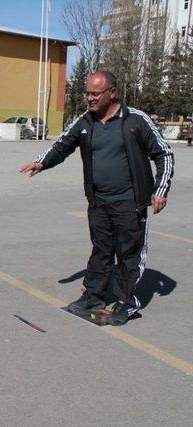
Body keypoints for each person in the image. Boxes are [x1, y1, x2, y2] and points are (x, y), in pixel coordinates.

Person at [19, 71, 174, 326]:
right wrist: (42, 162)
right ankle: (93, 296)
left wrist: (160, 189)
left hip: (129, 202)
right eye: (87, 93)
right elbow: (63, 144)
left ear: (111, 93)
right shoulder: (85, 121)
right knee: (101, 250)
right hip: (99, 201)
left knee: (128, 253)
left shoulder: (135, 120)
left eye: (95, 94)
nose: (89, 98)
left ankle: (126, 302)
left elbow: (164, 154)